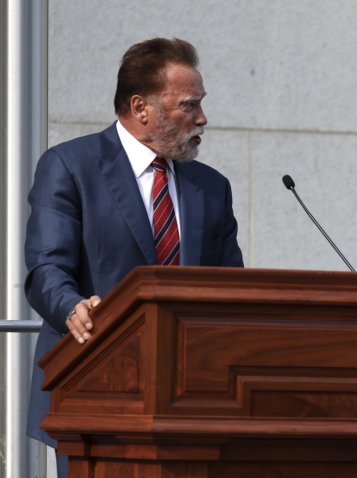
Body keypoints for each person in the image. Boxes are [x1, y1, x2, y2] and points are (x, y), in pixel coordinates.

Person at [24, 37, 244, 477]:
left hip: (192, 400)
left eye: (201, 104)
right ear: (141, 107)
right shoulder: (70, 166)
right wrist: (74, 307)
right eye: (188, 105)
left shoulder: (210, 186)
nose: (202, 118)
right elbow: (47, 267)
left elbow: (231, 286)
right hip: (92, 388)